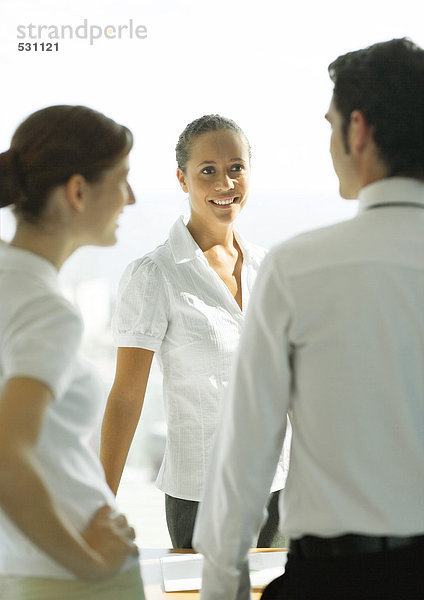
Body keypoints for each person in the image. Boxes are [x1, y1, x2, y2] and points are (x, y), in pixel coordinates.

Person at [193, 37, 424, 600]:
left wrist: (223, 586)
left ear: (359, 131)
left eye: (330, 125)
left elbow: (246, 453)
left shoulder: (298, 268)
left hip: (341, 578)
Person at [100, 114, 291, 549]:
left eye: (235, 168)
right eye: (208, 171)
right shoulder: (154, 275)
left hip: (281, 491)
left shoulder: (271, 268)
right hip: (203, 497)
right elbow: (127, 397)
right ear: (182, 179)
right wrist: (99, 506)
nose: (225, 183)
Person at [0, 105, 145, 599]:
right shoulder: (46, 309)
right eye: (123, 180)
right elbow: (6, 457)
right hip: (69, 578)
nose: (131, 197)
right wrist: (90, 564)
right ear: (78, 191)